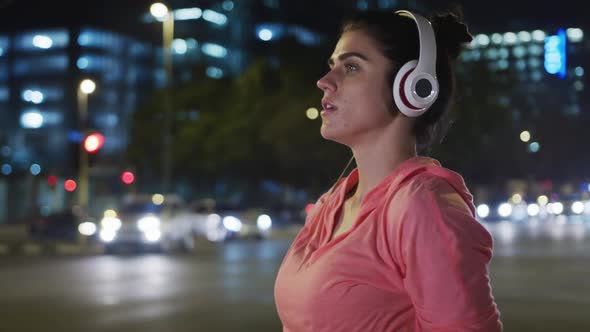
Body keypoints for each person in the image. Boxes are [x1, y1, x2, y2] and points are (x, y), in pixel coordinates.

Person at [274, 8, 503, 332]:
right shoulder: (332, 202)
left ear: (412, 87)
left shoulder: (422, 208)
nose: (324, 82)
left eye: (351, 67)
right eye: (332, 66)